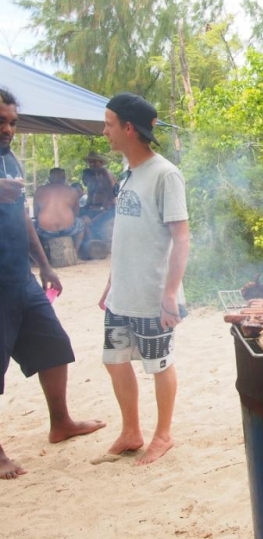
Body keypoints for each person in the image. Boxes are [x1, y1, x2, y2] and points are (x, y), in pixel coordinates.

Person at [0, 88, 105, 480]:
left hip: (18, 276)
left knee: (54, 346)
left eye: (12, 121)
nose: (8, 128)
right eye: (1, 121)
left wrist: (44, 265)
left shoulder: (9, 160)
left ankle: (60, 423)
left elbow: (23, 218)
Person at [97, 92, 189, 466]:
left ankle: (163, 435)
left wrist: (170, 294)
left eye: (108, 124)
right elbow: (127, 233)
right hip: (123, 292)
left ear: (128, 128)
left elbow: (181, 237)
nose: (105, 131)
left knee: (158, 364)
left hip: (153, 294)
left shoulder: (165, 174)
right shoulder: (128, 172)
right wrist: (110, 281)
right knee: (115, 360)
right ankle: (131, 431)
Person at [33, 167, 85, 252]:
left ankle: (41, 254)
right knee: (81, 223)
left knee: (32, 227)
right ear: (64, 178)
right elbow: (76, 213)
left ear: (49, 179)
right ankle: (75, 252)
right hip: (68, 229)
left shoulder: (39, 190)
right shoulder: (72, 190)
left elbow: (36, 215)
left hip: (45, 231)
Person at [79, 151, 116, 258]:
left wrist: (107, 204)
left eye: (94, 162)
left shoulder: (106, 173)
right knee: (84, 220)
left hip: (108, 208)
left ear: (100, 162)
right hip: (95, 207)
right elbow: (90, 194)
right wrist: (85, 207)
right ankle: (92, 247)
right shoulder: (93, 177)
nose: (92, 164)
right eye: (90, 162)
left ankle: (99, 248)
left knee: (92, 223)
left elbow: (114, 190)